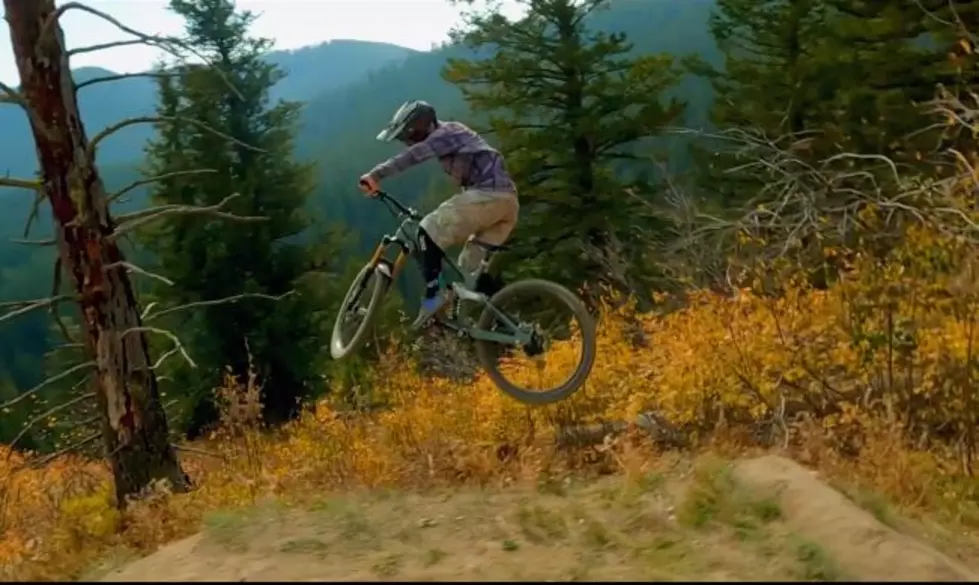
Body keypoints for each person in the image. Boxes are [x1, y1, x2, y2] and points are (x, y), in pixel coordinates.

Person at [358, 100, 519, 329]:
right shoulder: (449, 136)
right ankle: (511, 327)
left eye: (408, 136)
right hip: (505, 205)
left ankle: (434, 296)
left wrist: (376, 175)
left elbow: (413, 156)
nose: (407, 142)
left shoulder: (446, 133)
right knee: (468, 272)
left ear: (422, 127)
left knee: (427, 229)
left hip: (491, 196)